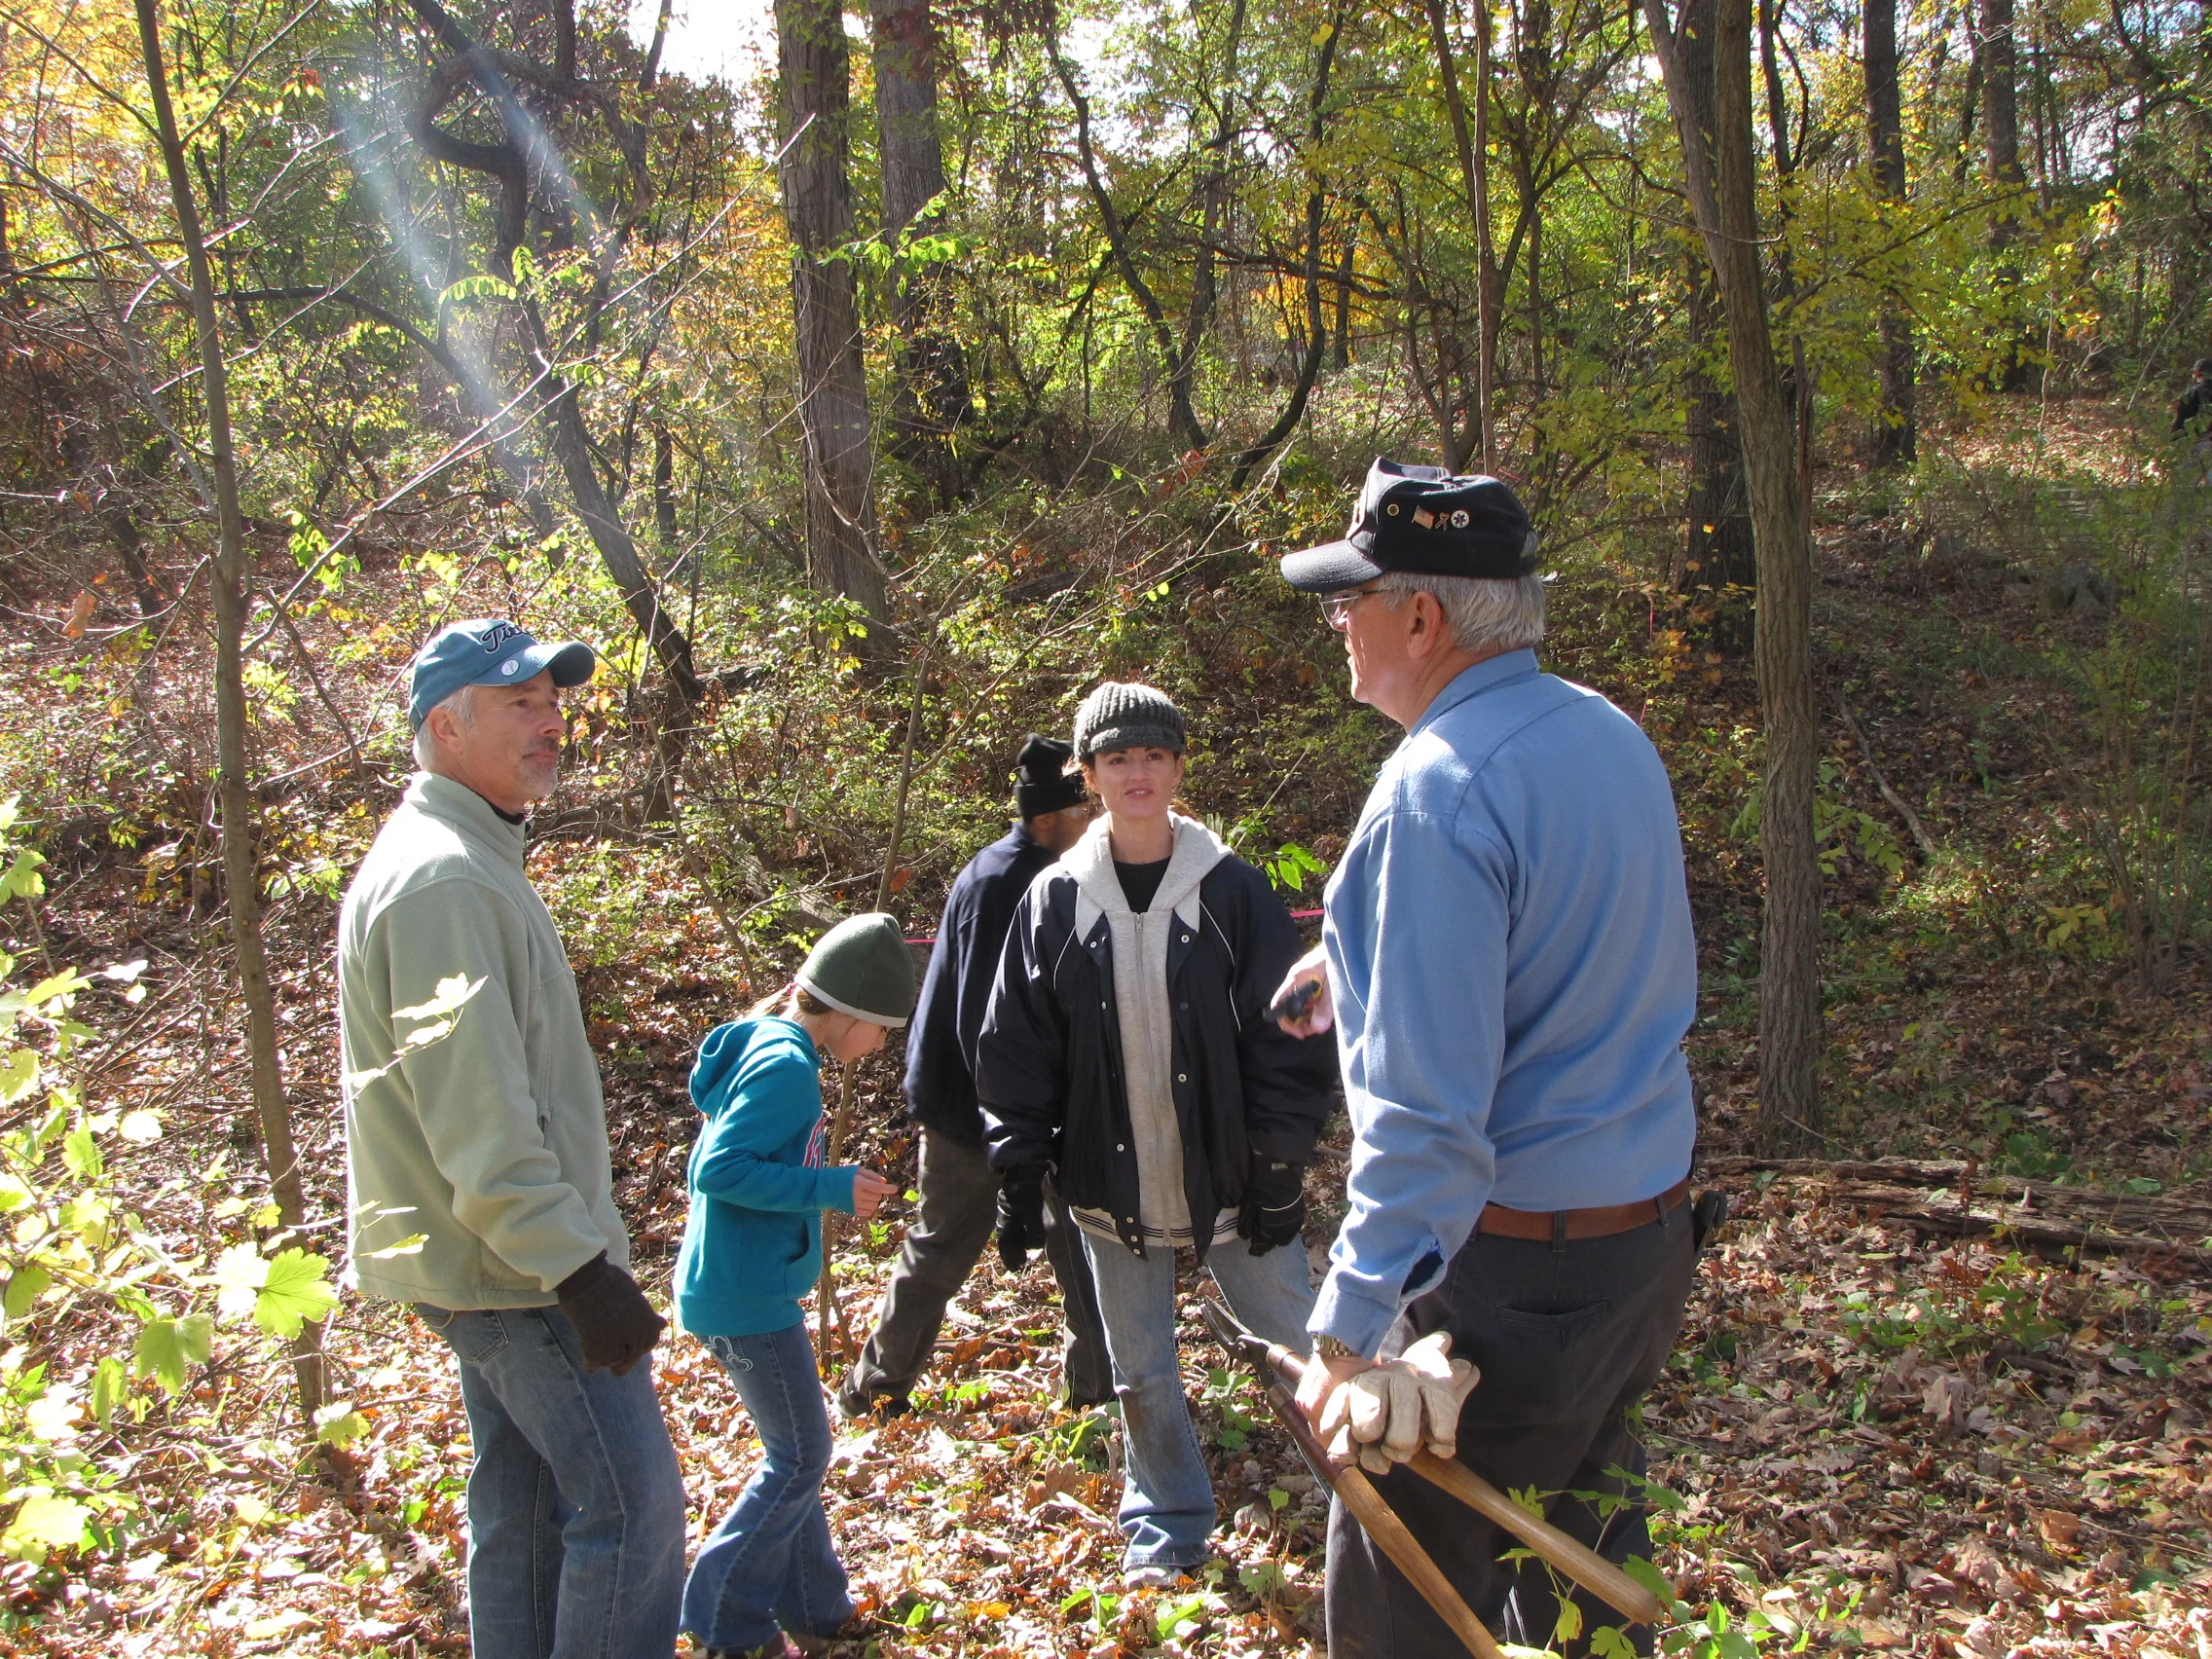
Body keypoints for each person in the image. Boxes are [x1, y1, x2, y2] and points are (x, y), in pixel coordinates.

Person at [1272, 460, 1700, 1658]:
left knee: (1404, 1589)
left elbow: (1427, 1135)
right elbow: (1577, 956)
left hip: (1512, 1290)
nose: (1335, 624)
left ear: (1422, 616)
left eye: (1348, 598)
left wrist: (1347, 1333)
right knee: (1583, 1563)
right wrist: (1355, 970)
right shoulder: (1604, 732)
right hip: (1641, 1252)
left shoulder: (1433, 795)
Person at [340, 617, 685, 1659]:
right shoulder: (445, 880)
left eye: (553, 700)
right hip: (518, 1277)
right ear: (444, 727)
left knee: (526, 1519)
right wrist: (577, 1271)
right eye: (520, 704)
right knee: (632, 1516)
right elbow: (475, 1117)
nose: (552, 722)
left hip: (495, 1265)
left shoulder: (467, 858)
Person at [977, 682, 1338, 1587]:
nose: (1136, 774)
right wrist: (1020, 1174)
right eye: (1115, 759)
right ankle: (1167, 1526)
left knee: (1310, 1355)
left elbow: (1288, 1037)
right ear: (1088, 774)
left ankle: (1367, 1511)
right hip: (1110, 1184)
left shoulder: (1234, 890)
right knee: (1140, 1372)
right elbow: (1016, 1046)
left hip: (1233, 1178)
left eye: (1153, 757)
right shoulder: (1055, 901)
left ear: (1179, 767)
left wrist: (1280, 1162)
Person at [839, 735, 1112, 1419]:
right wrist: (1017, 1135)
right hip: (972, 1107)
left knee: (1081, 1243)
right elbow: (983, 1024)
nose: (1094, 820)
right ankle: (875, 1389)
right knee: (939, 1248)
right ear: (1049, 817)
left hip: (1045, 1103)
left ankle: (1097, 1388)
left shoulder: (1062, 872)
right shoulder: (1002, 884)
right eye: (1084, 809)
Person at [674, 913, 915, 1659]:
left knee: (797, 1446)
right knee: (802, 1456)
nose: (878, 1048)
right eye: (878, 1031)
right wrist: (830, 1186)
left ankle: (815, 1605)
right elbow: (716, 1170)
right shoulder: (786, 1068)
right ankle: (725, 1619)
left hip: (741, 1286)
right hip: (745, 1298)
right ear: (843, 1015)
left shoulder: (767, 1041)